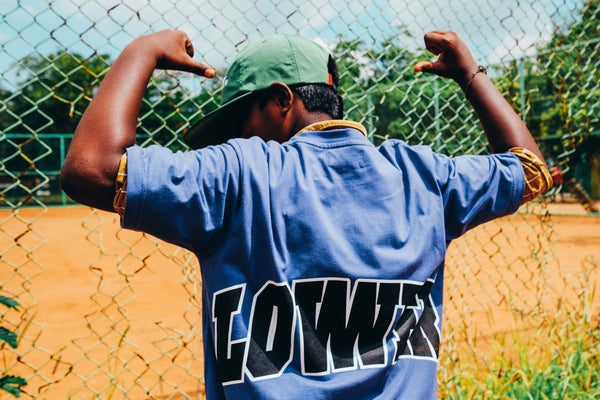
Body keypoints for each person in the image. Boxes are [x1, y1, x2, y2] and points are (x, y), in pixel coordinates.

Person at [60, 29, 552, 399]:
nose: (234, 137)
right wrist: (470, 74)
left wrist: (141, 51)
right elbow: (530, 170)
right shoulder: (423, 177)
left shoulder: (239, 175)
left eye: (239, 120)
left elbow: (89, 169)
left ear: (282, 100)